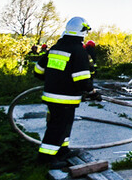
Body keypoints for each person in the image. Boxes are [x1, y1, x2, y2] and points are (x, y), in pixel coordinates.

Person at [33, 17, 100, 165]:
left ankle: (62, 150)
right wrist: (93, 92)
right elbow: (82, 80)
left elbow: (38, 70)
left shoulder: (56, 48)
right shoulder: (78, 51)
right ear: (82, 31)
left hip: (51, 95)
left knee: (64, 124)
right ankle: (46, 158)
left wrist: (54, 80)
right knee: (58, 127)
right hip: (65, 97)